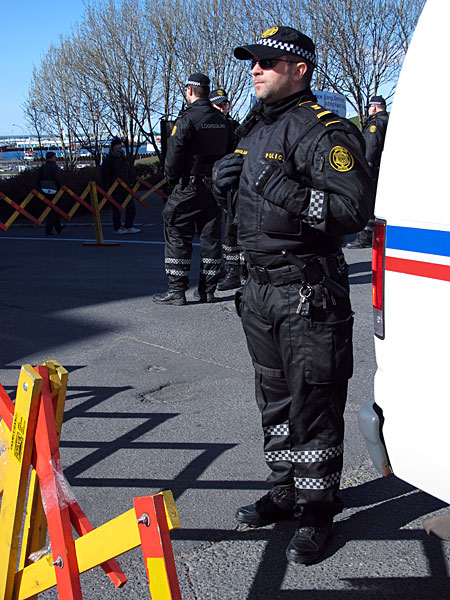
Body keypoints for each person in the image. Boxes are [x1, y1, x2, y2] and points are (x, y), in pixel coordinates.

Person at [212, 26, 374, 564]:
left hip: (306, 291)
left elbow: (351, 212)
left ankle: (318, 508)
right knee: (275, 400)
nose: (254, 69)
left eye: (266, 61)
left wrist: (283, 190)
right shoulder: (254, 126)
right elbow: (246, 207)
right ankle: (285, 490)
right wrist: (223, 185)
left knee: (313, 403)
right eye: (251, 62)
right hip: (258, 290)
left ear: (299, 69)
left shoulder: (324, 131)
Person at [153, 73, 234, 306]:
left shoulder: (187, 119)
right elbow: (231, 152)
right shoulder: (223, 121)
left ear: (190, 90)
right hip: (215, 187)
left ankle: (177, 291)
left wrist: (171, 180)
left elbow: (173, 156)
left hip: (190, 185)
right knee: (211, 238)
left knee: (176, 229)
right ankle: (208, 292)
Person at [209, 89, 242, 291]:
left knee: (232, 229)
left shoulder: (234, 127)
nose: (223, 108)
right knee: (210, 231)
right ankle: (217, 269)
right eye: (219, 104)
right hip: (207, 184)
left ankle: (235, 271)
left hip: (229, 185)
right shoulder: (206, 127)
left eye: (225, 104)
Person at [347, 95, 389, 249]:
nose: (369, 110)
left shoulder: (376, 124)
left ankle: (365, 237)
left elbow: (371, 147)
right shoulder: (388, 121)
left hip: (373, 169)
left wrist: (366, 167)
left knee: (368, 203)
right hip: (383, 168)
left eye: (370, 107)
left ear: (374, 107)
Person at [101, 138, 140, 235]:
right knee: (117, 208)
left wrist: (131, 181)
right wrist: (108, 187)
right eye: (117, 145)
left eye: (120, 145)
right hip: (115, 187)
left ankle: (129, 225)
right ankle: (117, 227)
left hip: (126, 186)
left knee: (131, 207)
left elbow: (128, 171)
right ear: (113, 147)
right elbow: (105, 175)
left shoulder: (123, 159)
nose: (119, 147)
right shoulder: (109, 160)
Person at [37, 151, 64, 236]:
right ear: (52, 158)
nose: (56, 158)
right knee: (54, 209)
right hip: (53, 189)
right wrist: (59, 187)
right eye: (55, 157)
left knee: (52, 208)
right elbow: (57, 178)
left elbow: (38, 179)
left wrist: (40, 187)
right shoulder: (54, 167)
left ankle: (58, 227)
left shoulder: (43, 167)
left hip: (44, 189)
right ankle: (49, 229)